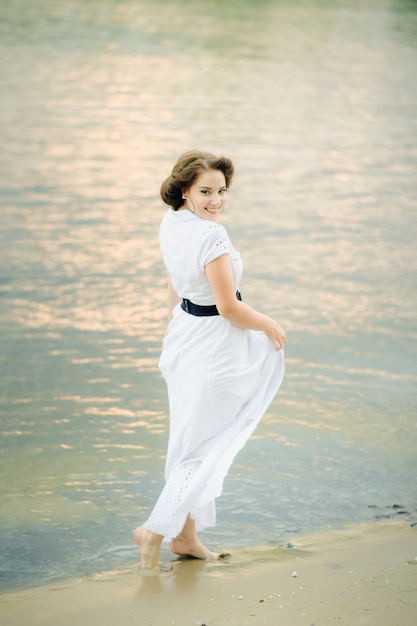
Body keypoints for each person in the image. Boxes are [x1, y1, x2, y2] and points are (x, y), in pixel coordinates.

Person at [134, 150, 286, 570]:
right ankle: (153, 532)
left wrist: (174, 329)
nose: (215, 200)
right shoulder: (212, 237)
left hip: (185, 336)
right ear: (184, 189)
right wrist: (268, 324)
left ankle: (186, 538)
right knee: (201, 449)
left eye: (221, 191)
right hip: (214, 348)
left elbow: (175, 282)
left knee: (189, 442)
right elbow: (228, 307)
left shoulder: (173, 223)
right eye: (205, 191)